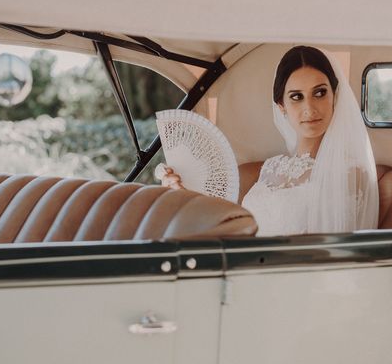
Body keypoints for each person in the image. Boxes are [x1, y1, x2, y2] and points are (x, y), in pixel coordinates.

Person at [161, 46, 379, 235]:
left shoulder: (350, 174)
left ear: (335, 97)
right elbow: (215, 225)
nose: (309, 108)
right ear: (281, 106)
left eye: (320, 93)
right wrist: (180, 192)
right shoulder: (264, 170)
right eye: (296, 97)